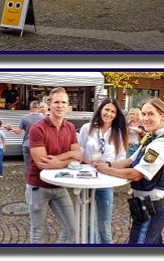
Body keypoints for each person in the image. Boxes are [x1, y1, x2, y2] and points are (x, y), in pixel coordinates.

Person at [94, 98, 164, 244]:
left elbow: (136, 174)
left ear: (163, 116)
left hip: (152, 207)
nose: (145, 118)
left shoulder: (161, 143)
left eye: (150, 114)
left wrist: (106, 169)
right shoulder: (151, 138)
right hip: (143, 205)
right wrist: (108, 163)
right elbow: (130, 161)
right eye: (144, 114)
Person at [27, 87, 82, 243]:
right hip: (38, 186)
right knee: (37, 232)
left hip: (59, 187)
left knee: (72, 230)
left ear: (68, 105)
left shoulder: (70, 127)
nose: (60, 105)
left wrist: (58, 162)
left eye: (64, 102)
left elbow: (77, 157)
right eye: (56, 102)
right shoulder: (37, 128)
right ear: (49, 104)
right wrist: (68, 157)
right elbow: (42, 163)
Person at [78, 98, 128, 244]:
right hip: (86, 179)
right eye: (107, 109)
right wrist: (91, 163)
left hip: (106, 181)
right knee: (87, 222)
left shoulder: (118, 133)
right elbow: (79, 153)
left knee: (104, 223)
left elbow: (122, 159)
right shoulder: (87, 128)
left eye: (113, 111)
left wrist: (107, 164)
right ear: (100, 110)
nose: (109, 113)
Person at [18, 99, 45, 174]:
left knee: (28, 165)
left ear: (30, 107)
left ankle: (29, 183)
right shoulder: (43, 119)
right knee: (39, 164)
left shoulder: (24, 118)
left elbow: (18, 131)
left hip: (27, 144)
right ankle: (39, 181)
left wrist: (10, 128)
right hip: (39, 146)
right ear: (38, 108)